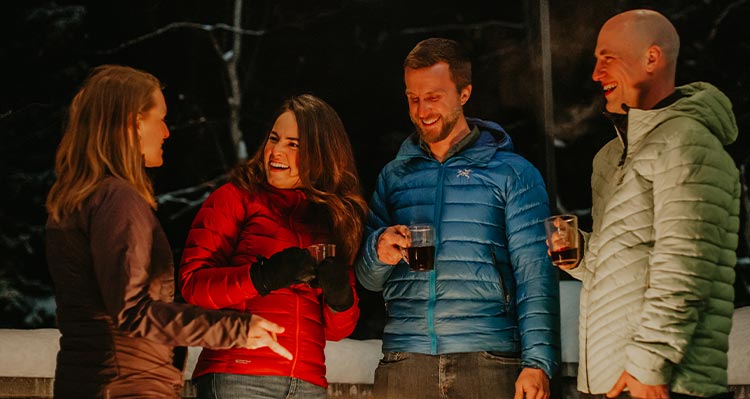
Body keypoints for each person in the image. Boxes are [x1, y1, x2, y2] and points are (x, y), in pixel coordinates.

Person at [45, 64, 292, 399]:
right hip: (128, 385)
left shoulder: (79, 199)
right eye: (159, 118)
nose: (165, 132)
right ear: (132, 123)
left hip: (94, 380)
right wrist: (235, 328)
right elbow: (133, 312)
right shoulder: (117, 199)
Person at [355, 37, 560, 399]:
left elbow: (535, 275)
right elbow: (368, 280)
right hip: (405, 357)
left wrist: (537, 363)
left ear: (464, 94)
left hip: (489, 358)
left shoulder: (512, 173)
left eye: (433, 97)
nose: (422, 110)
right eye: (413, 98)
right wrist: (378, 252)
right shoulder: (395, 176)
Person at [556, 9, 739, 399]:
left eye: (608, 57)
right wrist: (581, 256)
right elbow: (630, 261)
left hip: (664, 381)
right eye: (595, 60)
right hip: (614, 379)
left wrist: (648, 366)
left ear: (652, 59)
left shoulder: (687, 142)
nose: (595, 73)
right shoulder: (610, 156)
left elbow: (686, 265)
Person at [178, 94, 368, 399]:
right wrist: (262, 276)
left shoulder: (331, 221)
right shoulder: (235, 198)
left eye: (293, 144)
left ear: (321, 154)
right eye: (274, 139)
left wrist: (340, 297)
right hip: (237, 375)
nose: (275, 151)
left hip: (308, 383)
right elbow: (192, 285)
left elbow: (337, 331)